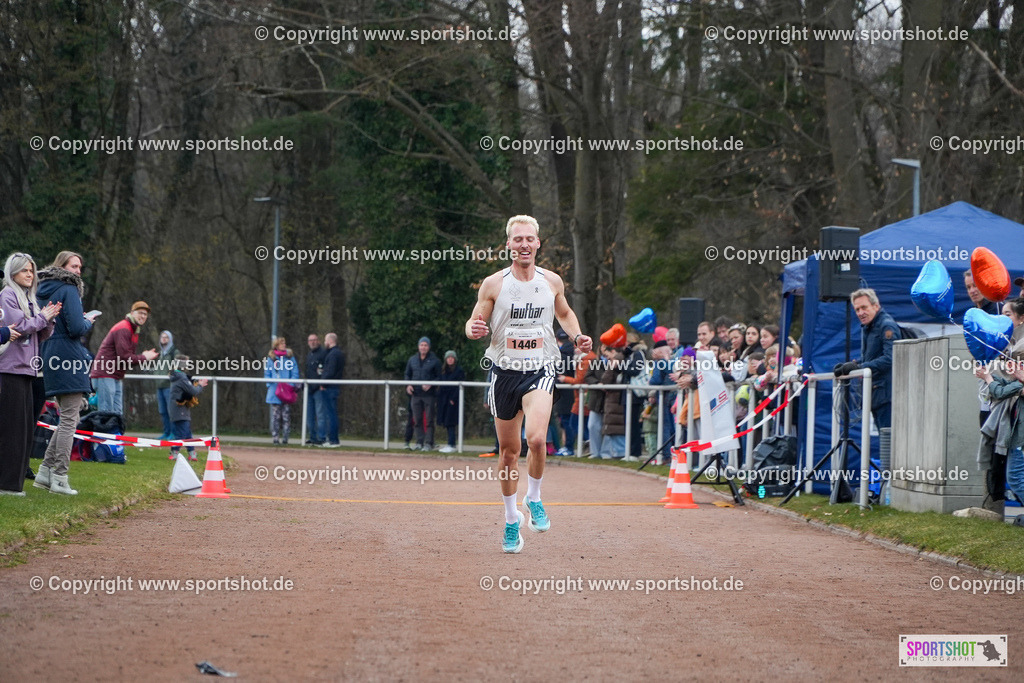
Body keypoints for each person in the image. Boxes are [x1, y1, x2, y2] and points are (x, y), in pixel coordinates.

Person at [465, 215, 592, 553]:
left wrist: (577, 335)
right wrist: (474, 330)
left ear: (538, 243)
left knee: (536, 439)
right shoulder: (494, 284)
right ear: (508, 244)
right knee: (509, 453)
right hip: (504, 373)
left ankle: (533, 497)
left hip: (540, 369)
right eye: (517, 239)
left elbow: (564, 313)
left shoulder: (552, 281)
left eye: (529, 239)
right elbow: (474, 321)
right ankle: (510, 520)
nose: (524, 244)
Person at [34, 251, 97, 495]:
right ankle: (60, 476)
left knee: (67, 416)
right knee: (70, 418)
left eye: (80, 267)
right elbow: (75, 329)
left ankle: (44, 472)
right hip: (68, 355)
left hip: (49, 352)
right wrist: (87, 321)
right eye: (74, 266)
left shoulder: (42, 288)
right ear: (63, 266)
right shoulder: (69, 288)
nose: (78, 271)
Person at [0, 253, 60, 496]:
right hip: (9, 369)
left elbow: (37, 334)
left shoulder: (29, 297)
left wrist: (48, 321)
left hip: (28, 369)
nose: (30, 274)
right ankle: (6, 484)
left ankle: (14, 483)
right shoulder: (7, 295)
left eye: (31, 271)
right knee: (12, 430)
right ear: (12, 273)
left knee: (25, 429)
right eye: (25, 270)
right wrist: (40, 318)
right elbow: (18, 329)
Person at [834, 288, 899, 430]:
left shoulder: (886, 325)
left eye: (864, 307)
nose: (860, 313)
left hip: (887, 396)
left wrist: (859, 368)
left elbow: (891, 358)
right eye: (857, 310)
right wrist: (853, 364)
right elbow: (871, 357)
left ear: (876, 306)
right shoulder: (869, 326)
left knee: (888, 440)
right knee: (885, 440)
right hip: (876, 394)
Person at [89, 301, 158, 416]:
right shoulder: (124, 328)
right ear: (132, 312)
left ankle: (116, 433)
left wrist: (143, 357)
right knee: (106, 414)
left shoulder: (133, 330)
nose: (143, 316)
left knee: (117, 415)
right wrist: (144, 357)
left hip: (115, 375)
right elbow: (125, 357)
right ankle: (98, 434)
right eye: (140, 313)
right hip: (105, 374)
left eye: (145, 314)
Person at [167, 354, 208, 461]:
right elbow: (193, 391)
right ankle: (174, 452)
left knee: (187, 432)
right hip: (179, 409)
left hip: (179, 409)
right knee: (181, 432)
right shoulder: (181, 377)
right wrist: (200, 385)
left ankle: (192, 453)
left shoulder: (178, 376)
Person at [404, 336, 440, 451]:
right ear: (418, 346)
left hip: (429, 395)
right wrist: (408, 384)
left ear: (428, 347)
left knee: (429, 420)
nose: (423, 347)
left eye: (425, 345)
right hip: (415, 394)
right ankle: (419, 442)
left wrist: (431, 384)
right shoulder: (412, 360)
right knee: (417, 419)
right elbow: (407, 374)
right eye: (421, 345)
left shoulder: (435, 361)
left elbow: (439, 377)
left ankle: (429, 443)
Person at [264, 336, 299, 445]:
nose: (284, 345)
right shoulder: (271, 359)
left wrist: (290, 384)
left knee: (286, 416)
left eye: (284, 343)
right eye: (281, 344)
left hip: (287, 391)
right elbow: (267, 374)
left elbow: (295, 372)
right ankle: (275, 437)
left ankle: (285, 438)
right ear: (277, 346)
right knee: (276, 416)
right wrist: (270, 384)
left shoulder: (290, 358)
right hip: (275, 391)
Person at [436, 350, 466, 453]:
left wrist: (453, 399)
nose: (450, 359)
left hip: (453, 401)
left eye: (452, 357)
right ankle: (449, 443)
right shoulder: (442, 371)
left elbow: (459, 387)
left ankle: (452, 444)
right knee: (446, 423)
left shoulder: (459, 371)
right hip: (443, 400)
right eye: (448, 357)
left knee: (451, 423)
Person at [319, 332, 345, 447]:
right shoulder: (336, 353)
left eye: (325, 341)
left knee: (331, 414)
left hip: (330, 387)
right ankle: (333, 439)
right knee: (331, 413)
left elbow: (331, 371)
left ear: (330, 341)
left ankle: (333, 440)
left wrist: (323, 382)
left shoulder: (334, 354)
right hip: (332, 386)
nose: (324, 343)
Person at [153, 330, 178, 440]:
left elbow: (179, 366)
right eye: (162, 337)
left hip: (170, 386)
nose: (164, 339)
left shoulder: (174, 352)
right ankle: (166, 432)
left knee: (171, 411)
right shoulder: (160, 353)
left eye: (166, 337)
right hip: (160, 386)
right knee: (162, 411)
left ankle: (173, 433)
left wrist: (172, 373)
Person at [304, 334, 327, 445]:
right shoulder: (309, 355)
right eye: (310, 340)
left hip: (319, 388)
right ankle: (312, 437)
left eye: (314, 340)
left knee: (320, 414)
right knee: (309, 415)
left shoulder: (323, 353)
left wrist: (322, 383)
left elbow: (325, 370)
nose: (312, 342)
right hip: (309, 388)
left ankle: (321, 437)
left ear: (318, 341)